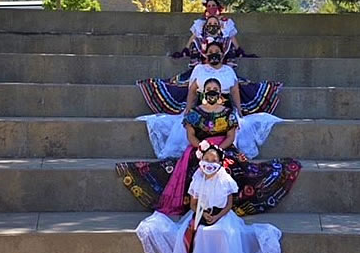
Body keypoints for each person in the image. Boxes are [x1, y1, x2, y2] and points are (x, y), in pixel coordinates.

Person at [117, 78, 301, 216]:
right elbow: (190, 135)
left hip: (224, 148)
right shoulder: (195, 113)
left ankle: (224, 205)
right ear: (204, 93)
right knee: (189, 168)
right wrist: (203, 147)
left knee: (235, 168)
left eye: (215, 90)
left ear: (220, 95)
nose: (212, 92)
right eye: (209, 90)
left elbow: (231, 136)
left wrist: (219, 150)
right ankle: (198, 205)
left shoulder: (229, 113)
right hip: (199, 148)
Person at [135, 142, 282, 253]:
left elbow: (229, 204)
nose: (209, 164)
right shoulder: (197, 178)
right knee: (196, 233)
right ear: (201, 160)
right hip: (201, 213)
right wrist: (202, 213)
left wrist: (217, 217)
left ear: (220, 162)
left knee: (224, 232)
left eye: (214, 161)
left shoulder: (226, 180)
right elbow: (193, 203)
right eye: (207, 159)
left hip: (222, 216)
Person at [138, 41, 281, 116]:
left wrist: (239, 111)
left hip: (225, 109)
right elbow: (192, 91)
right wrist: (187, 110)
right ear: (205, 55)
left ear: (222, 54)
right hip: (201, 107)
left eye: (217, 52)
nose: (214, 54)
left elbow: (235, 92)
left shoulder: (229, 70)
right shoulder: (199, 69)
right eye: (210, 52)